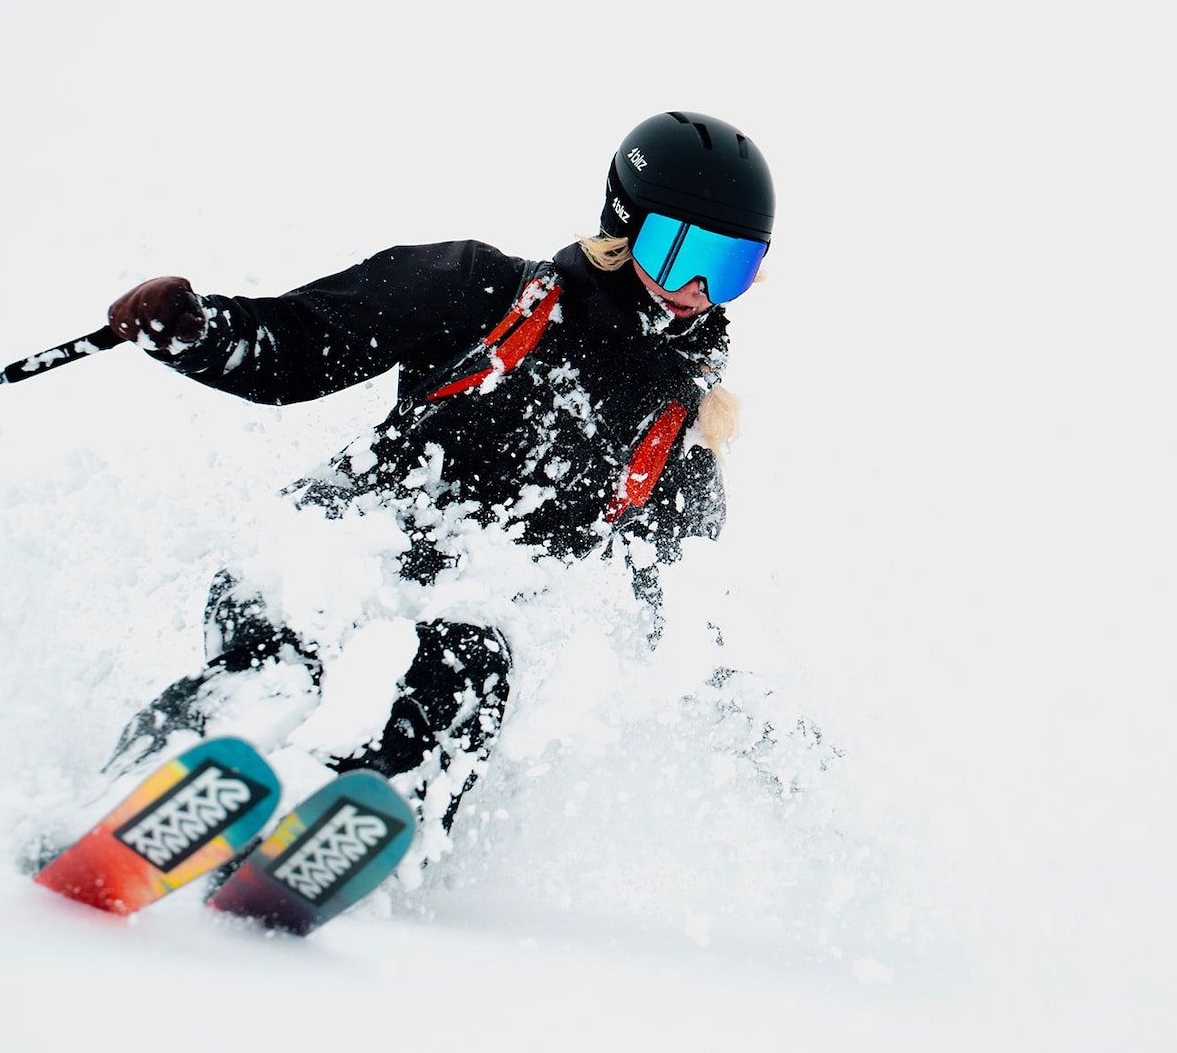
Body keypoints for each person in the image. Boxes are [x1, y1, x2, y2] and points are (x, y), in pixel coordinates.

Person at [97, 110, 774, 833]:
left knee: (473, 666)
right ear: (623, 223)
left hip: (464, 607)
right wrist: (201, 334)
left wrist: (748, 719)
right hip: (341, 546)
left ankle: (344, 830)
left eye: (730, 266)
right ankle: (134, 799)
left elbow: (672, 611)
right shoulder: (486, 291)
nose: (698, 286)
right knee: (282, 667)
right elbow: (306, 340)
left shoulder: (676, 436)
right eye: (679, 252)